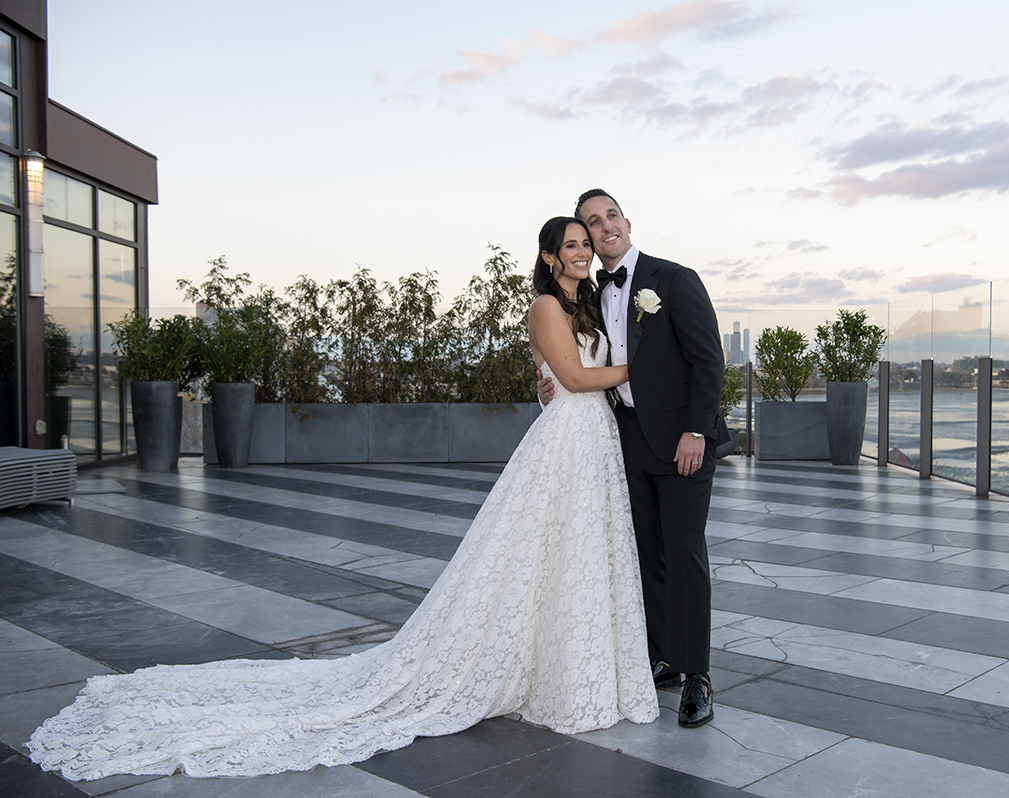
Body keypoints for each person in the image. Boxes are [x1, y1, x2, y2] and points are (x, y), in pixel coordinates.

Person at [26, 216, 658, 781]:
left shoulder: (589, 307)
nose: (581, 252)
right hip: (566, 443)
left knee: (574, 559)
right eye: (570, 245)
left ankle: (568, 668)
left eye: (585, 243)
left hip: (593, 440)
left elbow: (560, 376)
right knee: (547, 553)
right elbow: (574, 378)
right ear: (549, 258)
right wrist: (641, 366)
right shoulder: (547, 306)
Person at [538, 189, 727, 728]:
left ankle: (697, 676)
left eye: (609, 216)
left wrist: (696, 428)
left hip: (682, 441)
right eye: (592, 224)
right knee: (645, 554)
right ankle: (661, 657)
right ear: (589, 240)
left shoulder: (674, 279)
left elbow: (709, 361)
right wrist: (548, 381)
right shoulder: (590, 295)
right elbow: (573, 359)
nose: (604, 228)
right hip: (623, 439)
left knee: (685, 551)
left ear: (626, 221)